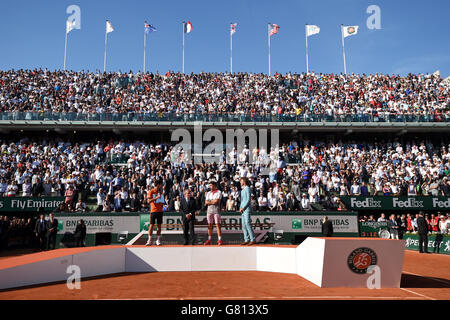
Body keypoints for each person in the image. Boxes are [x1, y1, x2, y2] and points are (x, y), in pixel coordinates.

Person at [204, 180, 223, 246]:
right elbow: (206, 202)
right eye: (209, 185)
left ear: (215, 186)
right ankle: (209, 239)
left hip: (216, 210)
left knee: (218, 225)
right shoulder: (208, 193)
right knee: (209, 225)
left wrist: (210, 201)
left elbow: (216, 202)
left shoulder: (219, 192)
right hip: (209, 211)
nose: (210, 186)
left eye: (211, 185)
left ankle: (219, 239)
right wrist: (212, 201)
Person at [146, 179, 165, 246]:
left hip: (160, 211)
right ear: (158, 185)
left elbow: (162, 202)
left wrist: (163, 203)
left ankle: (158, 240)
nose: (161, 186)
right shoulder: (151, 191)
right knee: (151, 225)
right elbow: (148, 201)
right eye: (160, 184)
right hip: (153, 211)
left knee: (159, 226)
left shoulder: (161, 192)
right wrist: (156, 198)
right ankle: (149, 240)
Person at [239, 177, 256, 246]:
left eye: (241, 180)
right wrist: (240, 208)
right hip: (242, 210)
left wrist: (243, 207)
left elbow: (248, 200)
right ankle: (246, 239)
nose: (240, 182)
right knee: (243, 225)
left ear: (244, 181)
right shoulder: (242, 190)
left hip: (246, 209)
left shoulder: (248, 188)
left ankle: (253, 239)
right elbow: (242, 200)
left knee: (247, 223)